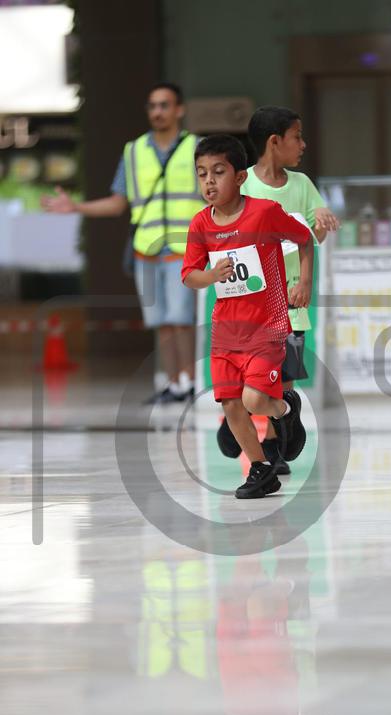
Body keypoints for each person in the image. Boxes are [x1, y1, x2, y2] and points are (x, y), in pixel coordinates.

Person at [42, 82, 203, 404]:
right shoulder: (133, 151)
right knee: (161, 322)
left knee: (181, 319)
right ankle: (174, 384)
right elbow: (118, 203)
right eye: (152, 106)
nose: (157, 112)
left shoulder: (197, 147)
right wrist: (76, 207)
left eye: (164, 105)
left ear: (179, 110)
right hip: (147, 249)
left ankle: (190, 383)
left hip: (184, 247)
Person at [182, 134, 314, 499]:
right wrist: (211, 275)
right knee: (230, 404)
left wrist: (304, 282)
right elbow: (189, 275)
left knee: (255, 400)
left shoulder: (264, 213)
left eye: (218, 172)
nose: (209, 182)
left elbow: (304, 239)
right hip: (225, 332)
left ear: (240, 177)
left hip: (267, 328)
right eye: (202, 174)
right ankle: (260, 469)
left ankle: (285, 410)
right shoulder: (200, 225)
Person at [216, 105, 339, 474]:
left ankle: (272, 444)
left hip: (290, 303)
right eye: (296, 137)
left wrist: (320, 225)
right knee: (248, 377)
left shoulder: (302, 185)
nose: (303, 144)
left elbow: (312, 238)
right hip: (250, 306)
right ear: (274, 142)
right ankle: (238, 415)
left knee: (281, 379)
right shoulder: (244, 186)